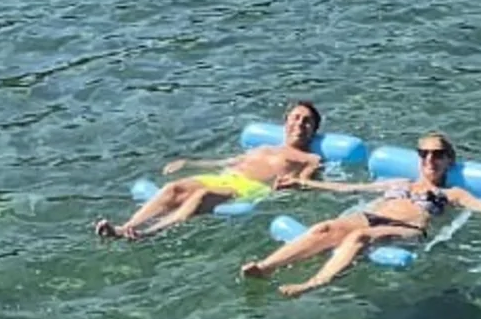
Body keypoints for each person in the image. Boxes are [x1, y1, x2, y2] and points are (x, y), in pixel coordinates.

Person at [240, 131, 481, 296]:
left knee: (359, 238)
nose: (430, 160)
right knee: (326, 226)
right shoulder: (397, 181)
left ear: (449, 161)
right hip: (371, 214)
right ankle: (267, 268)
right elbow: (349, 190)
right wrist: (303, 184)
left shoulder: (452, 192)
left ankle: (313, 284)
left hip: (407, 228)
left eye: (438, 155)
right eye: (424, 154)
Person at [95, 102, 326, 241]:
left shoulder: (310, 158)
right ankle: (126, 227)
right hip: (225, 178)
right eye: (296, 118)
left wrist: (295, 185)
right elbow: (225, 162)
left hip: (250, 188)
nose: (300, 124)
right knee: (173, 188)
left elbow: (305, 184)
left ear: (313, 130)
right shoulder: (264, 147)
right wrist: (189, 163)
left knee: (201, 197)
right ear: (285, 123)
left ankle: (147, 235)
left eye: (307, 122)